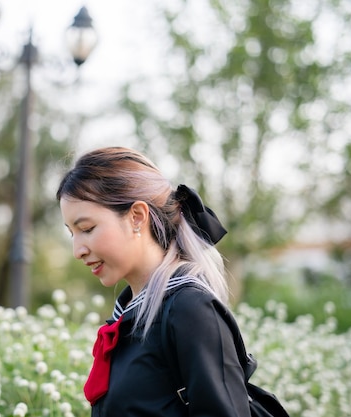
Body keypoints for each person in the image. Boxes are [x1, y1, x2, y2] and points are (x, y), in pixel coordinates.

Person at [57, 146, 251, 416]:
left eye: (87, 229)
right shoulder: (129, 313)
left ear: (137, 216)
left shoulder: (190, 309)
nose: (78, 250)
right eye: (72, 234)